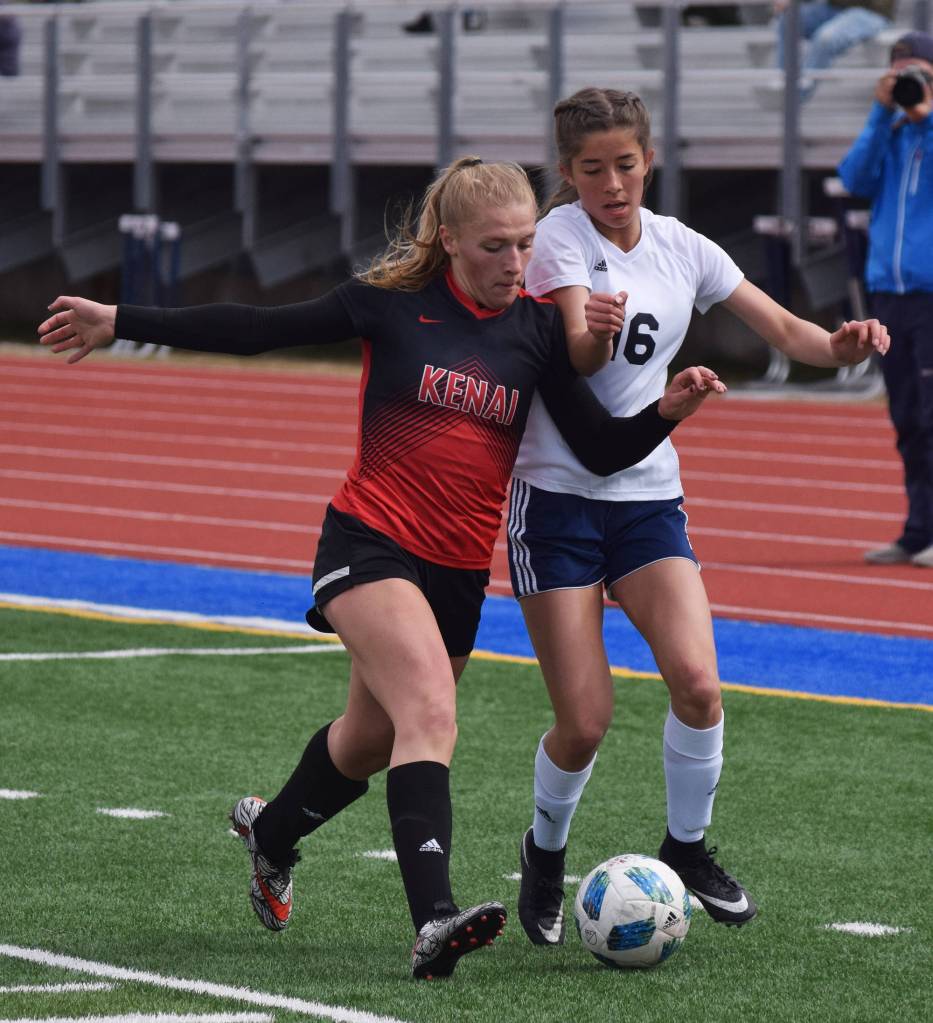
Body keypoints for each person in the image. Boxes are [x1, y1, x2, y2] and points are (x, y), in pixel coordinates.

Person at [37, 156, 725, 979]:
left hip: (458, 573)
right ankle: (433, 921)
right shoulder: (392, 307)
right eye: (495, 247)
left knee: (365, 741)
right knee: (429, 715)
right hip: (368, 545)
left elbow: (603, 450)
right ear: (450, 243)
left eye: (525, 246)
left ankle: (271, 833)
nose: (515, 264)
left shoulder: (539, 330)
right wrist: (122, 317)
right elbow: (256, 328)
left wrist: (667, 410)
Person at [507, 87, 890, 947]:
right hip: (558, 499)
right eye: (593, 168)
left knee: (700, 683)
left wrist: (842, 345)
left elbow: (788, 329)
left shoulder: (680, 244)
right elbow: (571, 354)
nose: (613, 182)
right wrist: (597, 336)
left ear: (650, 160)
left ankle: (684, 849)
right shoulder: (559, 241)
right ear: (567, 174)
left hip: (647, 499)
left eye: (626, 164)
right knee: (585, 721)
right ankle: (542, 851)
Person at [839, 31, 933, 568]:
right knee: (907, 418)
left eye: (920, 74)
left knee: (932, 416)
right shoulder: (891, 132)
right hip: (889, 296)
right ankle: (917, 531)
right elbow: (854, 178)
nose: (911, 86)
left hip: (929, 296)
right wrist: (881, 115)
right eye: (903, 75)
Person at [773, 0, 894, 100]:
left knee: (826, 37)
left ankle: (795, 96)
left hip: (869, 12)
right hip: (834, 7)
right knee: (789, 20)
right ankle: (783, 81)